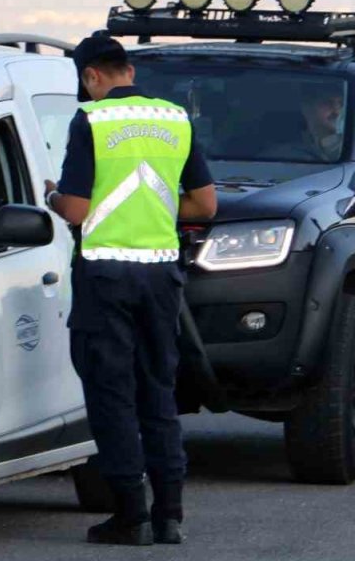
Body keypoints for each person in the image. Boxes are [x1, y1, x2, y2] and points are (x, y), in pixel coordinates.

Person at [43, 32, 218, 545]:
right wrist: (157, 212)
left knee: (111, 392)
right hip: (162, 276)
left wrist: (53, 196)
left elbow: (76, 211)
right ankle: (170, 514)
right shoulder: (174, 119)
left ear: (90, 76)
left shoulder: (91, 120)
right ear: (130, 72)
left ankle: (131, 514)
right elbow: (205, 207)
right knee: (157, 391)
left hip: (105, 276)